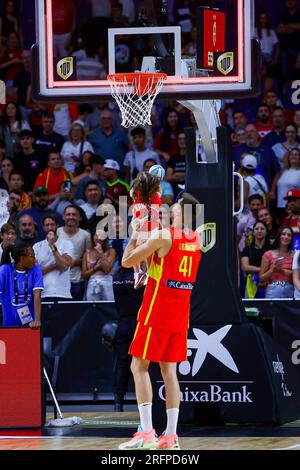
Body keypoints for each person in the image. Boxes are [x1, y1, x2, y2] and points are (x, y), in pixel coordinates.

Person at [119, 192, 201, 450]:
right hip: (179, 315)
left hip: (156, 312)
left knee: (138, 367)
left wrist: (134, 234)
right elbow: (161, 264)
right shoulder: (195, 239)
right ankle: (171, 435)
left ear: (181, 214)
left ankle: (146, 431)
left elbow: (126, 261)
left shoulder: (164, 236)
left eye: (173, 210)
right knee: (169, 372)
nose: (169, 213)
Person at [130, 172, 162, 289]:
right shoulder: (155, 196)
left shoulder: (138, 194)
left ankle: (141, 272)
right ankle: (142, 273)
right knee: (141, 250)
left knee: (140, 249)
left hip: (146, 224)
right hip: (144, 224)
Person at [0, 243, 43, 327]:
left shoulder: (36, 268)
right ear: (22, 258)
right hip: (9, 324)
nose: (35, 259)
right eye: (32, 255)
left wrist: (37, 320)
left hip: (31, 325)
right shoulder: (5, 270)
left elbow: (37, 294)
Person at [33, 215, 73, 302]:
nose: (50, 227)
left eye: (52, 224)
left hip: (63, 293)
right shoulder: (36, 246)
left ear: (57, 226)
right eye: (47, 225)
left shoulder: (67, 244)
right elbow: (36, 273)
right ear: (43, 227)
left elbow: (65, 266)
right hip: (43, 293)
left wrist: (52, 245)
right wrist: (55, 265)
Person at [259, 226, 294, 298]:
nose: (286, 237)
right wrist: (272, 270)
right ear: (279, 236)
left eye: (289, 235)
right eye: (283, 234)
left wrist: (290, 273)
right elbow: (261, 279)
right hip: (273, 289)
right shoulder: (268, 254)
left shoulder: (295, 255)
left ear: (291, 238)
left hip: (290, 290)